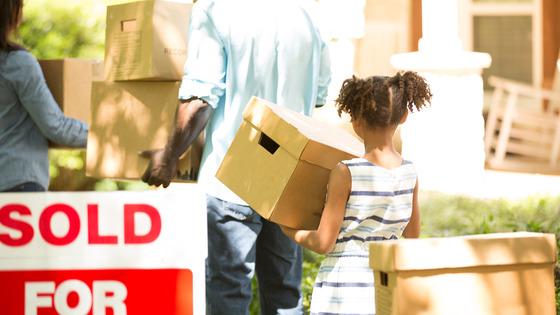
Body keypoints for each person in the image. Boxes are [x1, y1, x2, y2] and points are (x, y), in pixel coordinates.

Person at [139, 0, 331, 313]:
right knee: (285, 293)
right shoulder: (310, 13)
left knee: (227, 291)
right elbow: (320, 94)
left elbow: (201, 98)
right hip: (291, 177)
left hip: (231, 177)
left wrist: (170, 155)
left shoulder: (215, 9)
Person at [280, 71, 432, 314]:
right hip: (386, 286)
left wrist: (289, 230)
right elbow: (412, 237)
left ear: (355, 120)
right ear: (404, 116)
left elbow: (323, 243)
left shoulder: (346, 172)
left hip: (345, 290)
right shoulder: (410, 173)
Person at [0, 0, 89, 193]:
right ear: (12, 13)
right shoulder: (17, 63)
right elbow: (57, 127)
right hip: (18, 183)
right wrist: (104, 137)